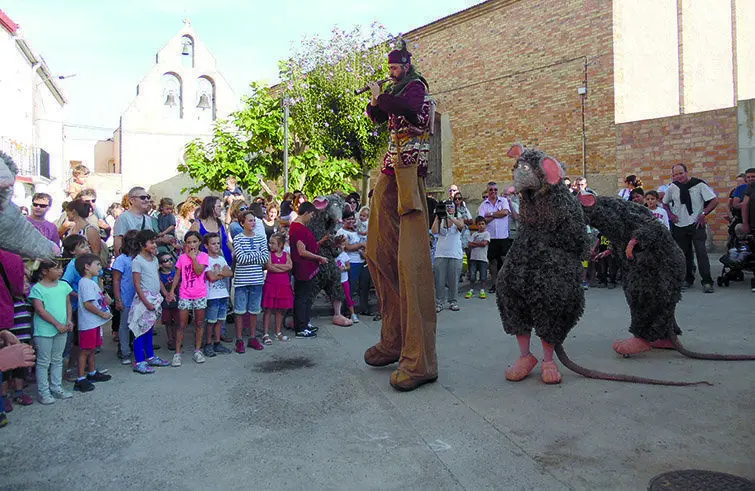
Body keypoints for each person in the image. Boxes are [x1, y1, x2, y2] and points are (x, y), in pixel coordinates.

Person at [363, 42, 438, 391]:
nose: (390, 71)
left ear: (406, 66)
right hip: (390, 175)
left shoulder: (416, 87)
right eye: (389, 68)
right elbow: (378, 116)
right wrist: (374, 99)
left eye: (395, 67)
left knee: (411, 265)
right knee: (378, 253)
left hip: (410, 178)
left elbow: (409, 111)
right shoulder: (395, 90)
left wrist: (382, 95)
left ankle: (419, 360)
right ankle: (393, 339)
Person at [662, 164, 719, 293]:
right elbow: (665, 203)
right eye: (675, 174)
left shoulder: (699, 185)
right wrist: (671, 215)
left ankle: (707, 281)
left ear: (686, 172)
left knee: (701, 252)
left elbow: (714, 200)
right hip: (679, 225)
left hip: (695, 224)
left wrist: (704, 214)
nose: (678, 176)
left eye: (680, 173)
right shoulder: (673, 187)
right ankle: (687, 279)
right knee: (683, 254)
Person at [129, 230, 171, 374]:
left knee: (149, 329)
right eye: (151, 242)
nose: (155, 245)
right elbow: (137, 284)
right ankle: (139, 361)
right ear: (142, 244)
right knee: (140, 331)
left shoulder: (154, 259)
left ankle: (150, 356)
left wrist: (164, 292)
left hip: (154, 298)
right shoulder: (137, 261)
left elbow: (156, 278)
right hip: (144, 300)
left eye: (155, 242)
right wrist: (145, 302)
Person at [168, 231, 209, 366]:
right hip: (185, 293)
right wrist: (172, 290)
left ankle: (197, 351)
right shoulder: (181, 258)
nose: (192, 245)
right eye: (189, 242)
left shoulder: (203, 256)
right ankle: (177, 353)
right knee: (182, 324)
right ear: (186, 244)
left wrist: (193, 258)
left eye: (194, 242)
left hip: (200, 293)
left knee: (199, 322)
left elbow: (198, 271)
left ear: (199, 242)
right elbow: (178, 275)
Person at [231, 211, 270, 352]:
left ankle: (253, 338)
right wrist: (256, 255)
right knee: (240, 311)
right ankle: (239, 340)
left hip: (257, 279)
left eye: (254, 220)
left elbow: (265, 258)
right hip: (242, 280)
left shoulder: (260, 238)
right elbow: (240, 258)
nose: (253, 223)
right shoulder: (238, 239)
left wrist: (251, 256)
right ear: (242, 223)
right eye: (250, 221)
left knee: (254, 310)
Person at [74, 254, 113, 392]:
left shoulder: (92, 282)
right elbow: (88, 304)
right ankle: (80, 379)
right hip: (88, 323)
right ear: (87, 267)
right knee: (85, 350)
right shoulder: (85, 283)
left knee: (92, 349)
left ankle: (92, 372)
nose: (99, 267)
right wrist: (102, 313)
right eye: (97, 264)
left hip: (94, 323)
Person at [289, 202, 326, 339]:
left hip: (306, 267)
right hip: (303, 268)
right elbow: (302, 251)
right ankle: (300, 327)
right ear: (305, 213)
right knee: (301, 298)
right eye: (311, 214)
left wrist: (322, 242)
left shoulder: (299, 227)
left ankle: (305, 322)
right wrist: (319, 257)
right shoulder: (298, 229)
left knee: (305, 297)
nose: (311, 217)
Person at [477, 181, 512, 294]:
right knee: (492, 262)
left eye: (495, 190)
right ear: (488, 191)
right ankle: (495, 284)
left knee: (504, 260)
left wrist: (491, 214)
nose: (493, 192)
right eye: (491, 190)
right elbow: (482, 221)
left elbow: (506, 212)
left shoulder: (504, 201)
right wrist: (498, 213)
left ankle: (505, 284)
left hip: (503, 236)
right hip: (490, 237)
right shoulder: (483, 205)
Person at [431, 201, 465, 312]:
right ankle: (439, 303)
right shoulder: (440, 219)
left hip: (455, 254)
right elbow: (435, 231)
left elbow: (461, 226)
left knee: (453, 280)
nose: (449, 208)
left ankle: (453, 301)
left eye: (451, 207)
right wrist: (438, 216)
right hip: (441, 253)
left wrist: (450, 216)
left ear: (455, 209)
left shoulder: (458, 217)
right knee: (439, 280)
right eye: (447, 207)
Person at [202, 233, 233, 356]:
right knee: (211, 321)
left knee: (220, 320)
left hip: (222, 294)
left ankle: (217, 342)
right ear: (206, 245)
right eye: (213, 243)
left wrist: (219, 274)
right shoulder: (206, 259)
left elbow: (230, 272)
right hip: (212, 295)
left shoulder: (221, 258)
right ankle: (208, 343)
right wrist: (222, 273)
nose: (216, 246)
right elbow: (211, 277)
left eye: (218, 243)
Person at [112, 230, 139, 364]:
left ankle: (136, 347)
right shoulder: (121, 259)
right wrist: (118, 299)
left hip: (139, 297)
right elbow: (116, 280)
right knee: (124, 325)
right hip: (126, 296)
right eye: (131, 242)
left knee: (138, 323)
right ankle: (124, 351)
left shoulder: (141, 257)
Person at [262, 233, 293, 344]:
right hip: (272, 284)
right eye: (270, 243)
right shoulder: (269, 254)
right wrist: (282, 268)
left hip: (283, 285)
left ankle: (278, 332)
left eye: (273, 243)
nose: (270, 245)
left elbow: (290, 266)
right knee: (268, 309)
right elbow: (269, 267)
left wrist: (276, 266)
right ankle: (265, 333)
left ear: (280, 244)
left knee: (280, 310)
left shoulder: (286, 254)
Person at [113, 187, 161, 256]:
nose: (147, 200)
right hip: (130, 259)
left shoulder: (148, 219)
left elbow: (151, 241)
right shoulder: (123, 218)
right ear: (132, 200)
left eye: (148, 197)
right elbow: (118, 242)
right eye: (142, 197)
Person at [336, 210, 365, 323]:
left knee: (359, 286)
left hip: (360, 261)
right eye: (348, 219)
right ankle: (347, 311)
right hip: (350, 261)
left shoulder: (357, 231)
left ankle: (358, 309)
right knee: (350, 288)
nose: (351, 221)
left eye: (353, 218)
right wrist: (361, 245)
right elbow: (347, 247)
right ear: (343, 221)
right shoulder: (341, 232)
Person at [190, 196, 233, 266]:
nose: (221, 209)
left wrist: (233, 252)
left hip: (225, 263)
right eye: (218, 206)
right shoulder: (197, 224)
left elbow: (227, 241)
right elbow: (191, 245)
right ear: (211, 208)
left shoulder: (221, 223)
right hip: (206, 265)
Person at [465, 216, 491, 299]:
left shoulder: (486, 234)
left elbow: (484, 244)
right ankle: (471, 289)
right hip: (473, 258)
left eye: (483, 224)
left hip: (482, 258)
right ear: (476, 225)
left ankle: (482, 290)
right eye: (479, 224)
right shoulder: (474, 234)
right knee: (472, 275)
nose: (481, 226)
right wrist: (479, 243)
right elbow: (469, 244)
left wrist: (475, 244)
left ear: (485, 225)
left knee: (483, 276)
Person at [157, 252, 178, 350]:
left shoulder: (176, 273)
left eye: (170, 259)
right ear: (160, 265)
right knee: (168, 322)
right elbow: (162, 289)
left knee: (177, 321)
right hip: (165, 301)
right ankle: (170, 339)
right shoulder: (159, 276)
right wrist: (168, 295)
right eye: (166, 260)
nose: (169, 262)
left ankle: (176, 339)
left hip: (177, 300)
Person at [335, 241, 358, 324]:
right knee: (336, 296)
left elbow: (348, 267)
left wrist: (344, 269)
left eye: (342, 245)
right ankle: (338, 313)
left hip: (344, 279)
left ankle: (353, 314)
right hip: (336, 280)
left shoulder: (344, 255)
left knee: (348, 296)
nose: (341, 247)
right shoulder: (333, 255)